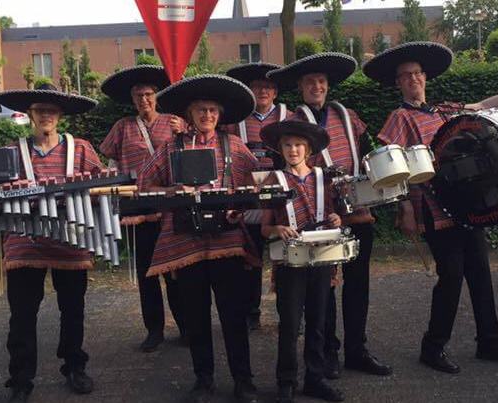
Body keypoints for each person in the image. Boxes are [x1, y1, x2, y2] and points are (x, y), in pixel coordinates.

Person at [364, 41, 498, 374]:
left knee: (480, 273)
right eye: (405, 76)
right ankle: (432, 347)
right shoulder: (399, 119)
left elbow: (486, 105)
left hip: (468, 206)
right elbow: (393, 168)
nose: (412, 79)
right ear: (398, 83)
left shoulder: (446, 111)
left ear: (425, 78)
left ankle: (489, 341)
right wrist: (406, 209)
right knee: (452, 277)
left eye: (416, 74)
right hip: (432, 208)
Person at [268, 52, 393, 380]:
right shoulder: (294, 122)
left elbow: (364, 154)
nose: (317, 86)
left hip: (355, 213)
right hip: (317, 218)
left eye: (322, 81)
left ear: (328, 85)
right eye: (310, 82)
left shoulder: (347, 115)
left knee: (358, 286)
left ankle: (357, 349)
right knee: (324, 290)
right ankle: (327, 353)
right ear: (300, 87)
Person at [136, 75, 260, 403]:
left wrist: (239, 206)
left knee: (233, 316)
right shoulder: (170, 147)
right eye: (201, 110)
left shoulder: (233, 145)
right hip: (186, 244)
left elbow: (255, 185)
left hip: (227, 243)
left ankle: (243, 380)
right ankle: (203, 380)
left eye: (213, 111)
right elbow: (143, 187)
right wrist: (171, 191)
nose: (207, 115)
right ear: (189, 113)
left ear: (220, 115)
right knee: (196, 318)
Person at [0, 83, 102, 402]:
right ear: (30, 115)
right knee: (23, 313)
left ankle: (74, 366)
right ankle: (21, 379)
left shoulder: (80, 148)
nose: (46, 116)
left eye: (51, 111)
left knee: (73, 308)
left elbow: (101, 186)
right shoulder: (14, 150)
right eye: (40, 111)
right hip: (24, 242)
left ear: (60, 115)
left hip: (69, 239)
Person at [99, 65, 188, 352]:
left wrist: (184, 131)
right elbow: (109, 160)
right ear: (132, 99)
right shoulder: (123, 127)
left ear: (157, 96)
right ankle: (154, 330)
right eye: (138, 96)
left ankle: (186, 327)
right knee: (146, 273)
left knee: (175, 270)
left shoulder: (175, 122)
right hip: (138, 208)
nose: (144, 100)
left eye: (149, 94)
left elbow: (192, 153)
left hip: (170, 205)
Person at [260, 121, 345, 403]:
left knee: (318, 322)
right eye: (287, 145)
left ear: (308, 149)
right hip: (290, 263)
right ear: (280, 149)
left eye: (298, 145)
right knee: (290, 323)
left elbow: (333, 214)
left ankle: (315, 378)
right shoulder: (274, 180)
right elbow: (264, 229)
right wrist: (278, 230)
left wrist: (336, 219)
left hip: (321, 258)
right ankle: (286, 381)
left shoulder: (323, 178)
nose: (293, 150)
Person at [223, 62, 291, 331]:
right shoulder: (234, 121)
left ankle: (288, 310)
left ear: (275, 91)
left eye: (267, 87)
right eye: (257, 87)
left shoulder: (291, 116)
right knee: (249, 257)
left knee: (285, 255)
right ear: (249, 91)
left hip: (281, 199)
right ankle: (251, 310)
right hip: (248, 198)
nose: (262, 91)